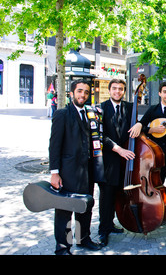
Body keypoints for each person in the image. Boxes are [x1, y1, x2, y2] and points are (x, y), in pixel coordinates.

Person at [49, 79, 103, 255]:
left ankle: (83, 238)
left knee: (85, 206)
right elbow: (54, 145)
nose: (83, 95)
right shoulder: (62, 114)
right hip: (68, 171)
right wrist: (55, 173)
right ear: (72, 93)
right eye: (80, 91)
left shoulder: (90, 113)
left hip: (87, 171)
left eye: (86, 92)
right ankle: (63, 247)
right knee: (65, 210)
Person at [129, 82, 166, 223]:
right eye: (165, 92)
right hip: (157, 156)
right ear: (160, 93)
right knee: (157, 184)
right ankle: (158, 211)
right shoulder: (153, 110)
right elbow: (142, 126)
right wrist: (152, 130)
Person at [98, 79, 135, 246]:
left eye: (121, 89)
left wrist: (142, 125)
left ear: (124, 91)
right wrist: (118, 149)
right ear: (109, 90)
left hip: (125, 162)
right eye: (114, 89)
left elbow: (134, 127)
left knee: (118, 194)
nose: (117, 92)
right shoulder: (101, 108)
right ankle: (103, 229)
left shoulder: (129, 107)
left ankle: (111, 224)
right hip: (109, 160)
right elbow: (99, 135)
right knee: (106, 197)